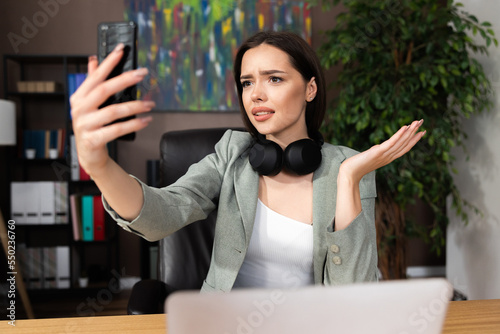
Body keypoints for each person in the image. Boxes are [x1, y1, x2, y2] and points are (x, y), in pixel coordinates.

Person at [70, 31, 425, 292]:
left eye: (274, 79)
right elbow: (162, 213)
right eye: (247, 82)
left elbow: (354, 293)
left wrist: (347, 178)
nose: (256, 94)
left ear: (310, 89)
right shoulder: (233, 154)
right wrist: (98, 164)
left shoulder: (351, 166)